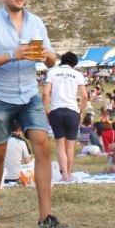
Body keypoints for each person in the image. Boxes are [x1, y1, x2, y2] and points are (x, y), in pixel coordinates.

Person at [0, 0, 68, 228]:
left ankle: (45, 216)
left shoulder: (36, 22)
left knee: (43, 147)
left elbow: (50, 61)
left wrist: (49, 55)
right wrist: (12, 55)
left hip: (29, 94)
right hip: (0, 96)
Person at [42, 51, 88, 181]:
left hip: (56, 110)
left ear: (62, 60)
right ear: (74, 63)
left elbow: (45, 94)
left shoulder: (52, 72)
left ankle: (64, 175)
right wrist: (81, 111)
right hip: (72, 110)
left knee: (60, 145)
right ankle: (69, 173)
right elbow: (84, 96)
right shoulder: (77, 74)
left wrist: (45, 110)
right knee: (70, 146)